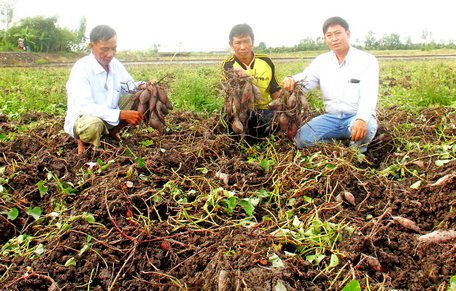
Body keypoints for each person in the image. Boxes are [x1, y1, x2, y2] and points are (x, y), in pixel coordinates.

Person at [283, 16, 379, 153]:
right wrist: (291, 79)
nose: (334, 38)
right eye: (329, 35)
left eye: (338, 33)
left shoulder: (367, 60)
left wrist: (362, 119)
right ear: (325, 39)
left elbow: (369, 95)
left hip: (355, 116)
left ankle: (357, 150)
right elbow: (307, 79)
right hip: (332, 118)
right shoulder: (322, 61)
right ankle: (341, 143)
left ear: (348, 34)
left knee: (366, 128)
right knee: (301, 139)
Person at [64, 25, 144, 154]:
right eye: (105, 49)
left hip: (108, 115)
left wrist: (144, 86)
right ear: (92, 46)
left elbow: (128, 86)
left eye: (114, 48)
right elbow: (84, 106)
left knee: (142, 96)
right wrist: (120, 114)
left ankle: (112, 133)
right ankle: (83, 142)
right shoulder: (81, 68)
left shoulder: (115, 64)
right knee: (93, 125)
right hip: (86, 119)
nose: (110, 54)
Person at [221, 23, 282, 139]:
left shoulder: (266, 61)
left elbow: (274, 89)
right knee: (226, 117)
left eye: (246, 41)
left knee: (280, 117)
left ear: (252, 41)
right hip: (242, 112)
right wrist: (245, 80)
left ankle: (257, 135)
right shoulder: (228, 65)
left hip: (264, 111)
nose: (242, 47)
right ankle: (250, 136)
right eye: (238, 43)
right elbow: (234, 94)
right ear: (231, 44)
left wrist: (283, 106)